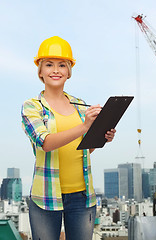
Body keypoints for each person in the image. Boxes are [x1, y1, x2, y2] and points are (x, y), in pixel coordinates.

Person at [21, 36, 116, 240]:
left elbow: (83, 149)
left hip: (82, 197)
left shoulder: (80, 105)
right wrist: (84, 126)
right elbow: (45, 143)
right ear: (40, 71)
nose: (56, 70)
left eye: (62, 65)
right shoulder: (32, 107)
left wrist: (101, 138)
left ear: (69, 71)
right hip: (46, 197)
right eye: (49, 64)